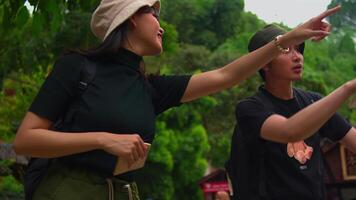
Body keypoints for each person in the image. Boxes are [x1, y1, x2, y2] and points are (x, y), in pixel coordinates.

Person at [12, 0, 341, 199]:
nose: (162, 25)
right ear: (130, 19)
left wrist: (288, 38)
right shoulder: (78, 68)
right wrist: (103, 140)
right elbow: (27, 140)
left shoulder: (150, 88)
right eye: (154, 13)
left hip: (125, 193)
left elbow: (226, 75)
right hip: (69, 192)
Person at [227, 24, 356, 200]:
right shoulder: (250, 109)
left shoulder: (313, 102)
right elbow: (289, 130)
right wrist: (349, 87)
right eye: (286, 50)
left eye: (298, 50)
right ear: (264, 62)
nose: (297, 57)